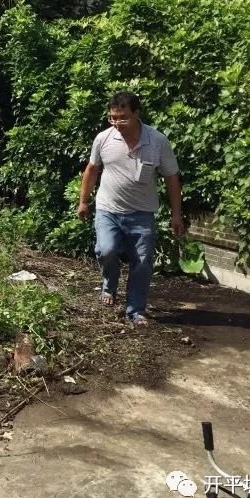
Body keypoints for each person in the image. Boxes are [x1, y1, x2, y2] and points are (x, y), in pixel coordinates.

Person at [77, 91, 184, 326]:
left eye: (123, 117)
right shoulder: (103, 139)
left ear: (137, 113)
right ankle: (110, 286)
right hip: (108, 210)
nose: (117, 123)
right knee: (106, 250)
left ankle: (135, 310)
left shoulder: (157, 141)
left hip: (142, 214)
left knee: (143, 261)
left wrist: (177, 214)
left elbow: (172, 177)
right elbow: (92, 170)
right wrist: (83, 201)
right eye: (113, 117)